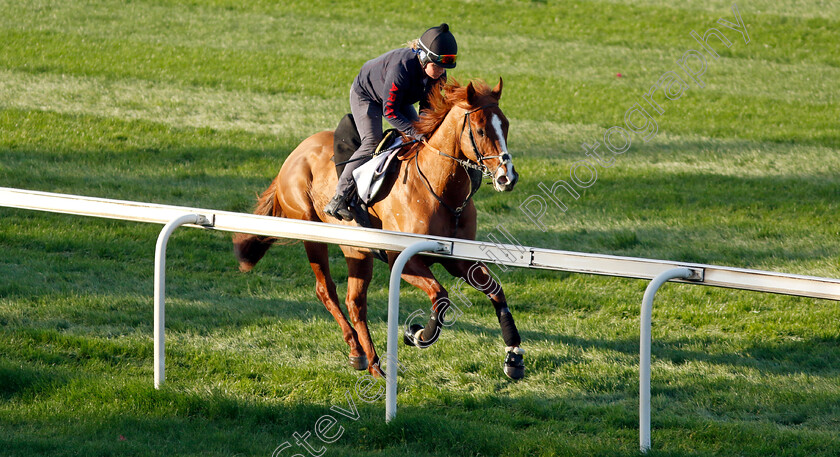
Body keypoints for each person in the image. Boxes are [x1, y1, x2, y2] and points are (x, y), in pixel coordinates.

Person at [324, 23, 458, 221]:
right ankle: (339, 197)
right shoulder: (400, 68)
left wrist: (425, 130)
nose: (440, 71)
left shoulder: (438, 74)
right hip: (367, 95)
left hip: (400, 98)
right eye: (437, 66)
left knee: (424, 135)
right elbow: (390, 111)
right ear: (422, 57)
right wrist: (416, 132)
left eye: (444, 67)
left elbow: (427, 109)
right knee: (372, 139)